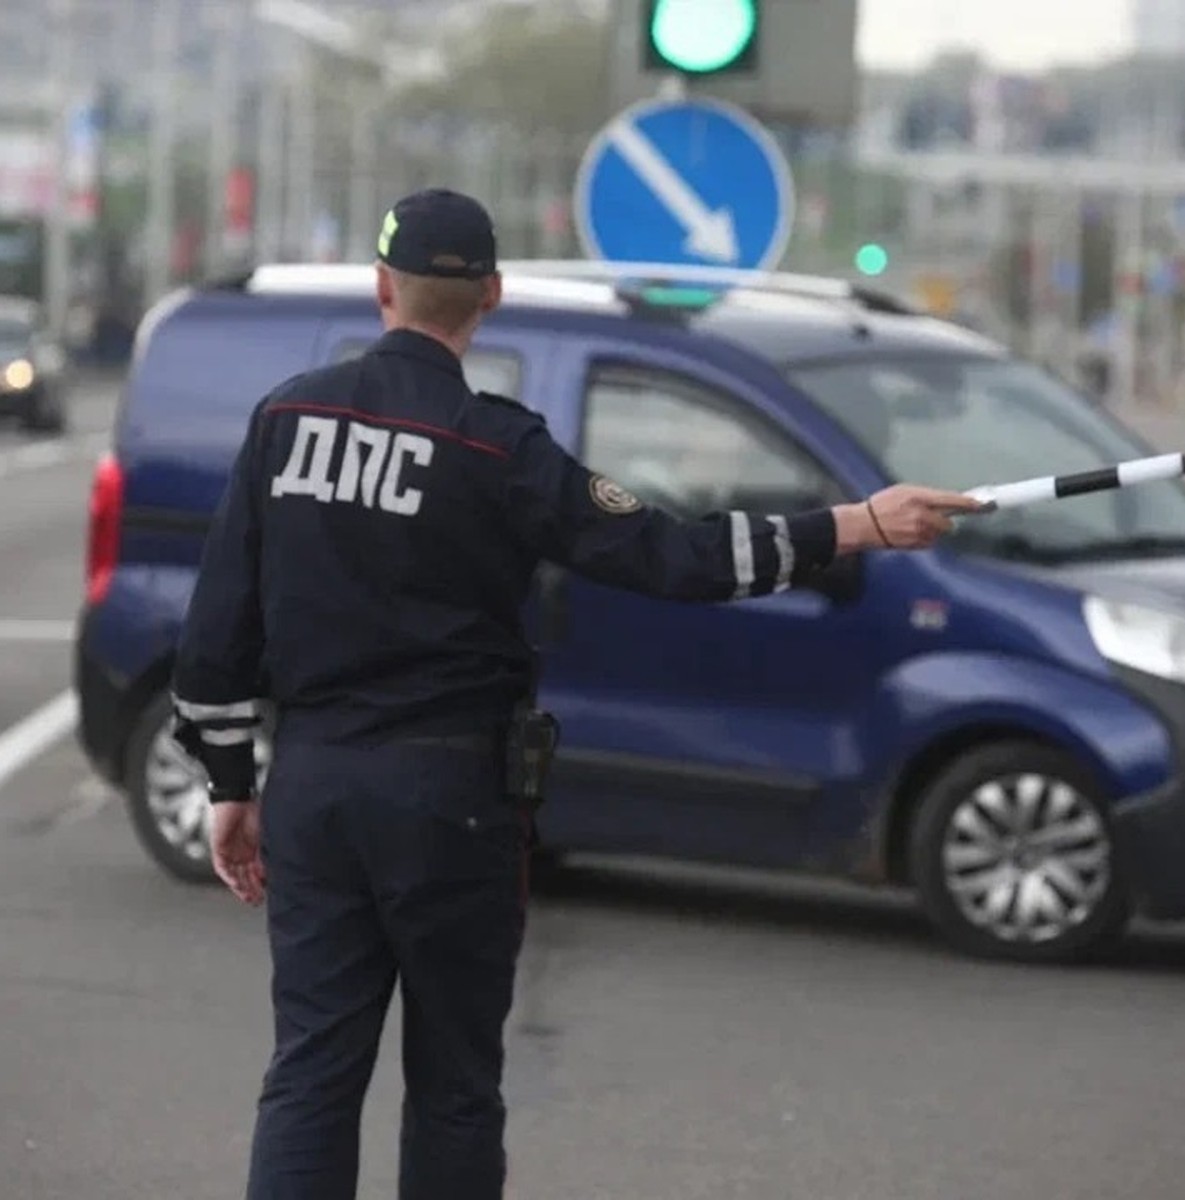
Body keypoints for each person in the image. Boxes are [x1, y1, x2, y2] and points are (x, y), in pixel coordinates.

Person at [169, 187, 984, 1200]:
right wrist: (858, 524)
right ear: (491, 296)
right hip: (452, 799)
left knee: (311, 1075)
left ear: (381, 288)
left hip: (317, 787)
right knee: (456, 1085)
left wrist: (228, 783)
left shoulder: (286, 420)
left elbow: (215, 638)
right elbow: (675, 557)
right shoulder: (498, 447)